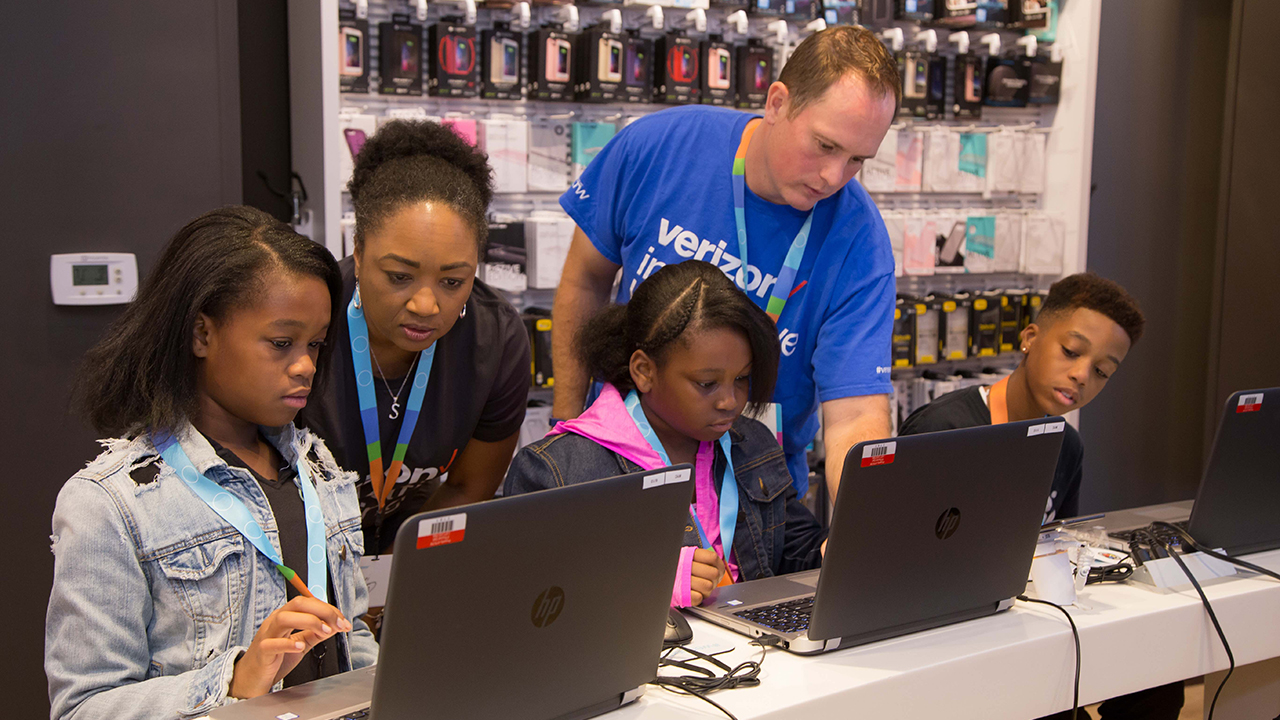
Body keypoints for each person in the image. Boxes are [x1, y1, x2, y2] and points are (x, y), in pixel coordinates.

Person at [46, 207, 378, 720]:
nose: (306, 365)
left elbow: (348, 639)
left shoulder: (319, 466)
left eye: (315, 344)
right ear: (202, 334)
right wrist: (234, 681)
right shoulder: (111, 504)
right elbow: (82, 708)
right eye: (281, 343)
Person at [552, 25, 902, 501]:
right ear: (777, 103)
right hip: (619, 469)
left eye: (858, 159)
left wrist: (860, 526)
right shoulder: (657, 147)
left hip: (757, 493)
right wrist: (567, 428)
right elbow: (584, 281)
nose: (833, 176)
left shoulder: (860, 239)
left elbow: (856, 416)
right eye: (825, 145)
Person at [898, 273, 1182, 720]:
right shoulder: (943, 430)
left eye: (1102, 372)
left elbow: (1056, 549)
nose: (1082, 375)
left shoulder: (1067, 447)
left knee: (1162, 677)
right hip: (946, 644)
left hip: (1027, 629)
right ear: (1030, 338)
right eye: (1071, 352)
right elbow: (897, 567)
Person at [504, 261, 826, 607]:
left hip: (753, 640)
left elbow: (796, 551)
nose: (730, 401)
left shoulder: (752, 443)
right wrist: (648, 584)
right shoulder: (556, 473)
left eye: (741, 379)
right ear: (644, 371)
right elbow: (533, 603)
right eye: (707, 383)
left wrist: (834, 551)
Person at [298, 120, 532, 554]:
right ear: (358, 249)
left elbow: (466, 488)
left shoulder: (496, 340)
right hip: (301, 555)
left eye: (452, 281)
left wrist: (394, 573)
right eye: (399, 276)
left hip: (410, 545)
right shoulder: (303, 316)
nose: (426, 305)